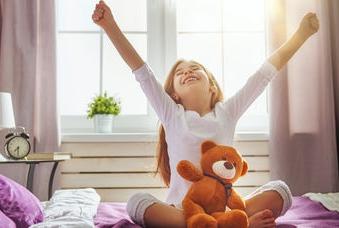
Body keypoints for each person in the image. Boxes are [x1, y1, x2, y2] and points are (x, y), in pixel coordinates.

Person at [92, 1, 319, 228]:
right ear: (174, 95)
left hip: (223, 209)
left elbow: (263, 76)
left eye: (194, 69)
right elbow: (142, 72)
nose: (187, 71)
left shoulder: (227, 112)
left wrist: (301, 35)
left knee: (281, 191)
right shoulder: (171, 114)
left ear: (212, 86)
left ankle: (218, 223)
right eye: (180, 73)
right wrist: (110, 26)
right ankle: (229, 225)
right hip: (183, 210)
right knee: (136, 202)